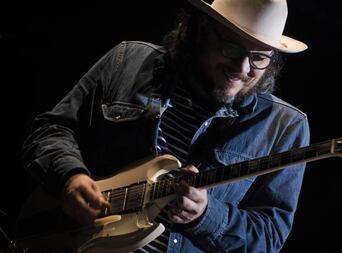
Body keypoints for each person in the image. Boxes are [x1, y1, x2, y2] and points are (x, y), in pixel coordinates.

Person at [20, 0, 310, 252]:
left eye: (259, 57)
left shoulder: (285, 127)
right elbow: (51, 129)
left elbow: (269, 237)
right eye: (231, 48)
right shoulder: (128, 60)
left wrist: (206, 215)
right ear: (200, 30)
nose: (243, 69)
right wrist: (69, 177)